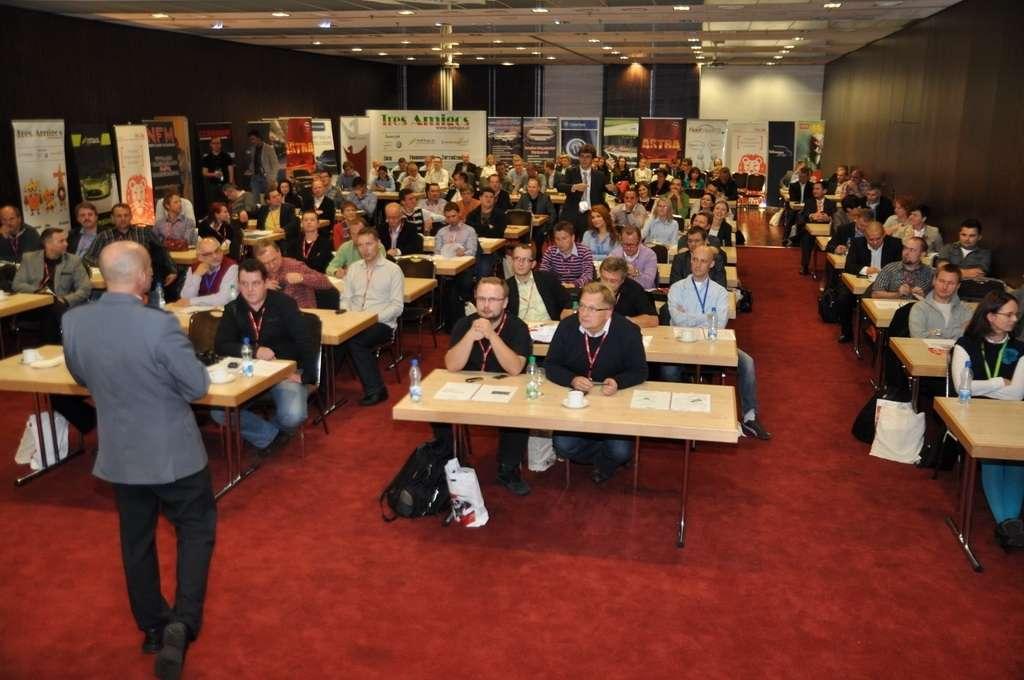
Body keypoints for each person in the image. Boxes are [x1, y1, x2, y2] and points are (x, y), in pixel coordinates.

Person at [63, 241, 216, 680]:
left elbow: (81, 376)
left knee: (136, 541)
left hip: (121, 453)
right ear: (144, 277)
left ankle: (152, 626)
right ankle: (182, 621)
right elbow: (195, 386)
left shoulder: (74, 322)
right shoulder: (159, 325)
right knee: (195, 531)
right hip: (174, 454)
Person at [665, 246, 772, 440]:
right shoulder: (677, 288)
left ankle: (750, 416)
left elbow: (720, 323)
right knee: (669, 369)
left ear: (712, 264)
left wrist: (689, 316)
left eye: (703, 261)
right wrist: (706, 317)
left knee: (747, 362)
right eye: (694, 259)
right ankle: (676, 418)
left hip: (712, 342)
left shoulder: (720, 292)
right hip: (681, 342)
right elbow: (678, 320)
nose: (697, 265)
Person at [545, 282, 648, 484]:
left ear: (608, 312)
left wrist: (618, 382)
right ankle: (605, 459)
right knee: (562, 446)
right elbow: (551, 365)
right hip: (577, 401)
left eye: (592, 309)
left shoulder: (628, 331)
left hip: (613, 401)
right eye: (582, 306)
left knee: (621, 451)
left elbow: (640, 371)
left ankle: (608, 461)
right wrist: (572, 379)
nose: (584, 313)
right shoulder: (567, 326)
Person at [214, 258, 316, 451]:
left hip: (284, 373)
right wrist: (254, 351)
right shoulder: (233, 308)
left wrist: (307, 376)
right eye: (244, 284)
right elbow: (221, 345)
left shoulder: (284, 304)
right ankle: (272, 437)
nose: (249, 289)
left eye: (255, 283)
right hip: (249, 374)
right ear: (238, 284)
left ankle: (269, 434)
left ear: (266, 282)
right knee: (219, 411)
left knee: (293, 416)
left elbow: (305, 340)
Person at [444, 277, 532, 495]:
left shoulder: (517, 327)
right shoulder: (464, 324)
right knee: (438, 413)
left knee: (518, 415)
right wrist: (469, 337)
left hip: (505, 389)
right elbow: (452, 365)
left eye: (493, 300)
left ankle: (508, 468)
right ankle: (451, 463)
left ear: (505, 302)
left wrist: (492, 336)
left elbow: (515, 368)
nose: (485, 305)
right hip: (468, 389)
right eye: (481, 299)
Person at [950, 292, 1024, 548]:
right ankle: (1008, 524)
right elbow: (962, 387)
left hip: (1011, 414)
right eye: (1009, 314)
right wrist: (998, 382)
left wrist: (981, 386)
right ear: (991, 316)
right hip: (974, 413)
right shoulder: (966, 344)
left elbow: (1017, 393)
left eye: (1016, 314)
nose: (1015, 319)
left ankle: (1009, 525)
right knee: (992, 457)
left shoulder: (1020, 348)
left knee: (1015, 460)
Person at [339, 228, 404, 406]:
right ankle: (323, 389)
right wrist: (348, 314)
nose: (365, 249)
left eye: (369, 244)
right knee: (335, 340)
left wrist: (370, 319)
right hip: (353, 320)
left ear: (378, 244)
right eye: (360, 245)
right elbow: (345, 298)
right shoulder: (354, 269)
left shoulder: (393, 270)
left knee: (355, 341)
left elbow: (397, 306)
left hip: (381, 323)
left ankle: (377, 390)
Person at [12, 227, 92, 342]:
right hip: (36, 304)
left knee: (51, 310)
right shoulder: (29, 258)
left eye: (66, 240)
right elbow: (17, 284)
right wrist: (38, 291)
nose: (66, 244)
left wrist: (65, 300)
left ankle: (49, 346)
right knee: (48, 309)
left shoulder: (73, 261)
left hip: (61, 304)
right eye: (61, 241)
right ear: (48, 244)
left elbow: (85, 289)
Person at [835, 221, 902, 343]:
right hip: (861, 279)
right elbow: (849, 266)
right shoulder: (857, 243)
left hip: (886, 284)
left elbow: (900, 268)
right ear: (865, 236)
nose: (875, 242)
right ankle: (847, 332)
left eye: (878, 239)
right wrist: (866, 269)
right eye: (871, 240)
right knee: (843, 298)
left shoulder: (895, 244)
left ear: (884, 235)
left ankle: (882, 336)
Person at [84, 204, 177, 291]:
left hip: (143, 281)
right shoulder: (104, 236)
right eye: (119, 216)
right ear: (112, 218)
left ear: (131, 216)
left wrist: (172, 270)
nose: (123, 219)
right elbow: (88, 257)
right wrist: (106, 264)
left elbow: (162, 250)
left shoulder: (144, 232)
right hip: (116, 282)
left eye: (126, 215)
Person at [255, 242, 332, 310]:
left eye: (274, 260)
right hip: (274, 317)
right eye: (266, 263)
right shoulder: (258, 273)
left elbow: (326, 282)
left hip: (302, 313)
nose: (271, 266)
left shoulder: (295, 266)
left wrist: (302, 278)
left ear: (279, 252)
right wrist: (261, 289)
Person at [557, 144, 613, 238]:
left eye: (587, 157)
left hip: (592, 213)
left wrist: (614, 189)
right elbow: (560, 186)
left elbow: (610, 191)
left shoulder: (600, 175)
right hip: (573, 211)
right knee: (567, 238)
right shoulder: (571, 171)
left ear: (592, 159)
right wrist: (574, 187)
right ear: (578, 158)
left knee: (589, 241)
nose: (584, 159)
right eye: (582, 156)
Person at [506, 243, 570, 323]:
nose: (520, 263)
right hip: (521, 328)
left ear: (533, 264)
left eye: (525, 259)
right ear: (512, 261)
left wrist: (566, 310)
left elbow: (567, 299)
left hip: (549, 326)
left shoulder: (547, 279)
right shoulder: (506, 287)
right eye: (517, 258)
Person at [908, 263, 973, 339]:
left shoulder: (966, 310)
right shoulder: (919, 308)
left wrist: (934, 332)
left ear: (958, 286)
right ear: (934, 281)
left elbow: (968, 338)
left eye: (951, 283)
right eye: (941, 281)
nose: (945, 287)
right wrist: (957, 331)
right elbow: (918, 337)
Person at [177, 237, 238, 307]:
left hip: (224, 311)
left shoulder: (231, 267)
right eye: (208, 254)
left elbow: (227, 297)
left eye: (217, 251)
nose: (215, 256)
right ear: (200, 257)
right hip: (198, 311)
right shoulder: (194, 268)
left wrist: (192, 302)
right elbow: (185, 298)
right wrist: (197, 276)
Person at [867, 236, 933, 299]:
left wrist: (924, 297)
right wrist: (898, 294)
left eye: (912, 250)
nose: (906, 253)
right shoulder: (890, 269)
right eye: (905, 248)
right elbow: (875, 294)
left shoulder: (930, 273)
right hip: (891, 306)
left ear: (922, 254)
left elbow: (936, 298)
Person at [599, 257, 658, 328]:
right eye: (604, 279)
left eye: (613, 281)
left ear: (622, 280)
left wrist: (621, 321)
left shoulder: (634, 289)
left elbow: (653, 320)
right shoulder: (593, 288)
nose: (607, 284)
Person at [796, 182, 836, 274]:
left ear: (824, 191)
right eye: (814, 189)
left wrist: (828, 218)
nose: (814, 191)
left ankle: (831, 269)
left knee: (834, 240)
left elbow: (835, 217)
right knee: (806, 239)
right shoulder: (809, 202)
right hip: (811, 230)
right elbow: (805, 214)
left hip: (827, 231)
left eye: (817, 189)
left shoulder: (831, 203)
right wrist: (812, 215)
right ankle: (805, 265)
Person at [539, 221, 594, 288]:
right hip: (556, 287)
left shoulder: (585, 251)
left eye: (564, 238)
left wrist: (574, 284)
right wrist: (555, 284)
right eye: (557, 239)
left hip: (577, 288)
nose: (560, 243)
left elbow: (588, 275)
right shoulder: (550, 251)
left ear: (573, 238)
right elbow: (543, 271)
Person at [608, 224, 657, 290]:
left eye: (631, 245)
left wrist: (636, 272)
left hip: (642, 292)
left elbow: (648, 283)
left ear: (639, 242)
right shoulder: (614, 255)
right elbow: (608, 281)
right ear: (621, 241)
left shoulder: (650, 255)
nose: (628, 248)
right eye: (625, 244)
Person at [466, 188, 508, 263]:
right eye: (486, 196)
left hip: (494, 251)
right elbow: (469, 233)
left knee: (483, 264)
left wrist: (478, 229)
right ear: (480, 198)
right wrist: (488, 227)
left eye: (491, 197)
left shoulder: (501, 215)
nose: (489, 199)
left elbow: (497, 234)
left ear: (494, 199)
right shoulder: (472, 215)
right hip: (474, 249)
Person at [244, 129, 279, 201]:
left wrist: (272, 178)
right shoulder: (253, 149)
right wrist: (250, 170)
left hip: (266, 177)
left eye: (253, 139)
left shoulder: (269, 149)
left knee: (268, 198)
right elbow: (253, 162)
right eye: (250, 139)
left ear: (259, 138)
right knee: (255, 197)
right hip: (255, 177)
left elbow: (275, 164)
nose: (252, 141)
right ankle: (257, 207)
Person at [200, 136, 233, 206]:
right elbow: (204, 173)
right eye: (214, 143)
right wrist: (214, 174)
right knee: (213, 205)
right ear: (210, 144)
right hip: (212, 185)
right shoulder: (206, 158)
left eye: (218, 143)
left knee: (226, 203)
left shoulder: (226, 156)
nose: (216, 145)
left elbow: (231, 170)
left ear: (221, 144)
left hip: (225, 184)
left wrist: (230, 183)